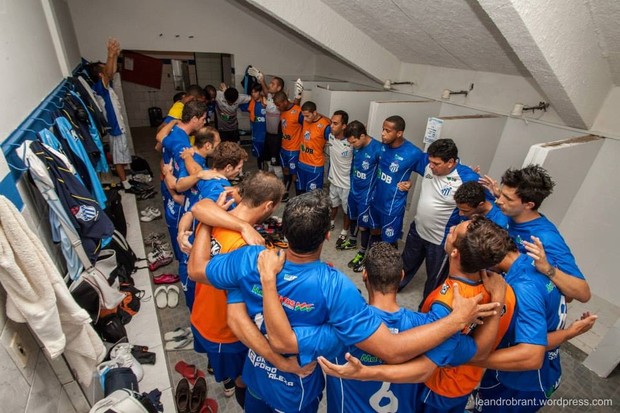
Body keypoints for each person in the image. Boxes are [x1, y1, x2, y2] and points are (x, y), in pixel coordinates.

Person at [188, 190, 500, 413]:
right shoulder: (335, 289)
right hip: (295, 393)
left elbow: (197, 269)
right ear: (327, 236)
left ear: (283, 229)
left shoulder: (251, 259)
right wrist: (458, 319)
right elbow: (393, 349)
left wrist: (212, 222)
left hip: (257, 375)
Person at [316, 218, 511, 413]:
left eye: (454, 231)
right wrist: (496, 300)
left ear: (364, 275)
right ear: (401, 276)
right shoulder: (495, 292)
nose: (450, 228)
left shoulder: (442, 313)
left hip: (440, 388)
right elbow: (478, 351)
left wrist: (366, 372)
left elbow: (420, 366)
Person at [188, 170, 284, 406]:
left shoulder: (216, 218)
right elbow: (197, 270)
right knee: (244, 380)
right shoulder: (245, 249)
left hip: (202, 316)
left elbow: (200, 208)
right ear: (269, 206)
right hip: (225, 333)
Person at [473, 238, 597, 412]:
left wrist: (470, 358)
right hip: (544, 369)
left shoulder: (524, 288)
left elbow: (532, 352)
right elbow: (568, 297)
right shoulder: (537, 262)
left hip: (521, 382)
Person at [482, 165, 591, 302]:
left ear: (529, 205)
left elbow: (583, 294)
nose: (499, 201)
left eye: (508, 199)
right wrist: (500, 195)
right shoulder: (511, 212)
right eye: (501, 194)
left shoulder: (546, 237)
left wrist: (547, 269)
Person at [400, 138, 481, 300]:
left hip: (440, 240)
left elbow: (483, 203)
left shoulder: (467, 177)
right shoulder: (428, 163)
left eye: (436, 164)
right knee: (405, 264)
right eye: (430, 161)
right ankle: (393, 288)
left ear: (450, 162)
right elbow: (405, 151)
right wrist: (406, 182)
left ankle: (427, 307)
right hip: (418, 229)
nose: (431, 166)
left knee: (435, 279)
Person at [361, 116, 423, 271]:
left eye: (387, 131)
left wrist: (410, 183)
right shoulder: (382, 146)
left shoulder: (413, 153)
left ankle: (387, 270)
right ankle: (372, 263)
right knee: (374, 231)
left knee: (388, 240)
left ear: (399, 133)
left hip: (392, 206)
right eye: (383, 129)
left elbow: (432, 171)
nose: (383, 133)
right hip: (376, 200)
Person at [87, 38, 135, 193]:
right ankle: (125, 183)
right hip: (114, 129)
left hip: (117, 127)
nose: (109, 72)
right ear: (100, 74)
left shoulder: (106, 86)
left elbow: (111, 72)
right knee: (118, 157)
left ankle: (126, 179)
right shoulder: (100, 88)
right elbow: (108, 73)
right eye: (104, 69)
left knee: (122, 155)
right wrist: (110, 54)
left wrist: (114, 56)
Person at [341, 121, 382, 266]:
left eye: (354, 142)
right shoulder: (357, 147)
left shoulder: (378, 149)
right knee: (353, 217)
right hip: (354, 190)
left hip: (367, 195)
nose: (352, 145)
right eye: (350, 143)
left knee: (365, 225)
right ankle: (352, 241)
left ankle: (363, 252)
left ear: (363, 136)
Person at [326, 110, 352, 247]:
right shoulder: (330, 136)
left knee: (347, 210)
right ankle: (331, 222)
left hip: (346, 184)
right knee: (333, 204)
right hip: (333, 180)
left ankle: (344, 230)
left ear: (344, 126)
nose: (331, 125)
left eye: (335, 123)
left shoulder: (351, 143)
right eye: (331, 122)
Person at [274, 91, 304, 200]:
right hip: (284, 148)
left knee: (294, 175)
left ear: (285, 102)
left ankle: (298, 198)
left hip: (294, 150)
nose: (277, 107)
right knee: (285, 171)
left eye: (278, 105)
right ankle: (285, 193)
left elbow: (307, 126)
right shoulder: (283, 111)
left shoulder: (298, 112)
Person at [297, 102, 332, 193]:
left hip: (315, 166)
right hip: (301, 163)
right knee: (300, 192)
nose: (305, 118)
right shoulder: (303, 119)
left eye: (307, 116)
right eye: (304, 116)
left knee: (313, 195)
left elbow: (334, 140)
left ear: (315, 113)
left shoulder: (325, 126)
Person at [241, 83, 267, 170]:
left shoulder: (267, 104)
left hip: (267, 136)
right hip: (256, 136)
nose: (253, 94)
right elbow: (236, 102)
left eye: (255, 92)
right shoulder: (251, 104)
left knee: (268, 157)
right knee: (259, 157)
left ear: (260, 92)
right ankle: (261, 171)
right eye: (252, 92)